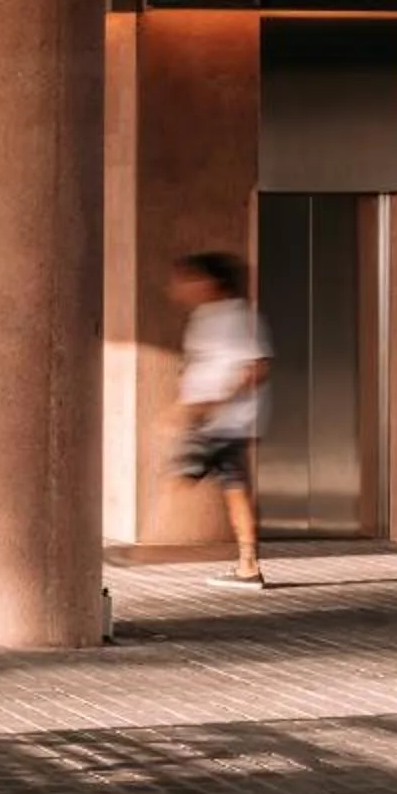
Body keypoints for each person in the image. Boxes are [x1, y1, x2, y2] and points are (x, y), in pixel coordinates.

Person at [171, 250, 274, 590]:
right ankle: (248, 565)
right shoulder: (205, 316)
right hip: (210, 418)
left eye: (190, 279)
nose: (182, 287)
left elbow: (257, 367)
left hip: (226, 419)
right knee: (231, 486)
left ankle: (248, 565)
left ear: (211, 282)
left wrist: (218, 400)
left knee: (185, 477)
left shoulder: (241, 317)